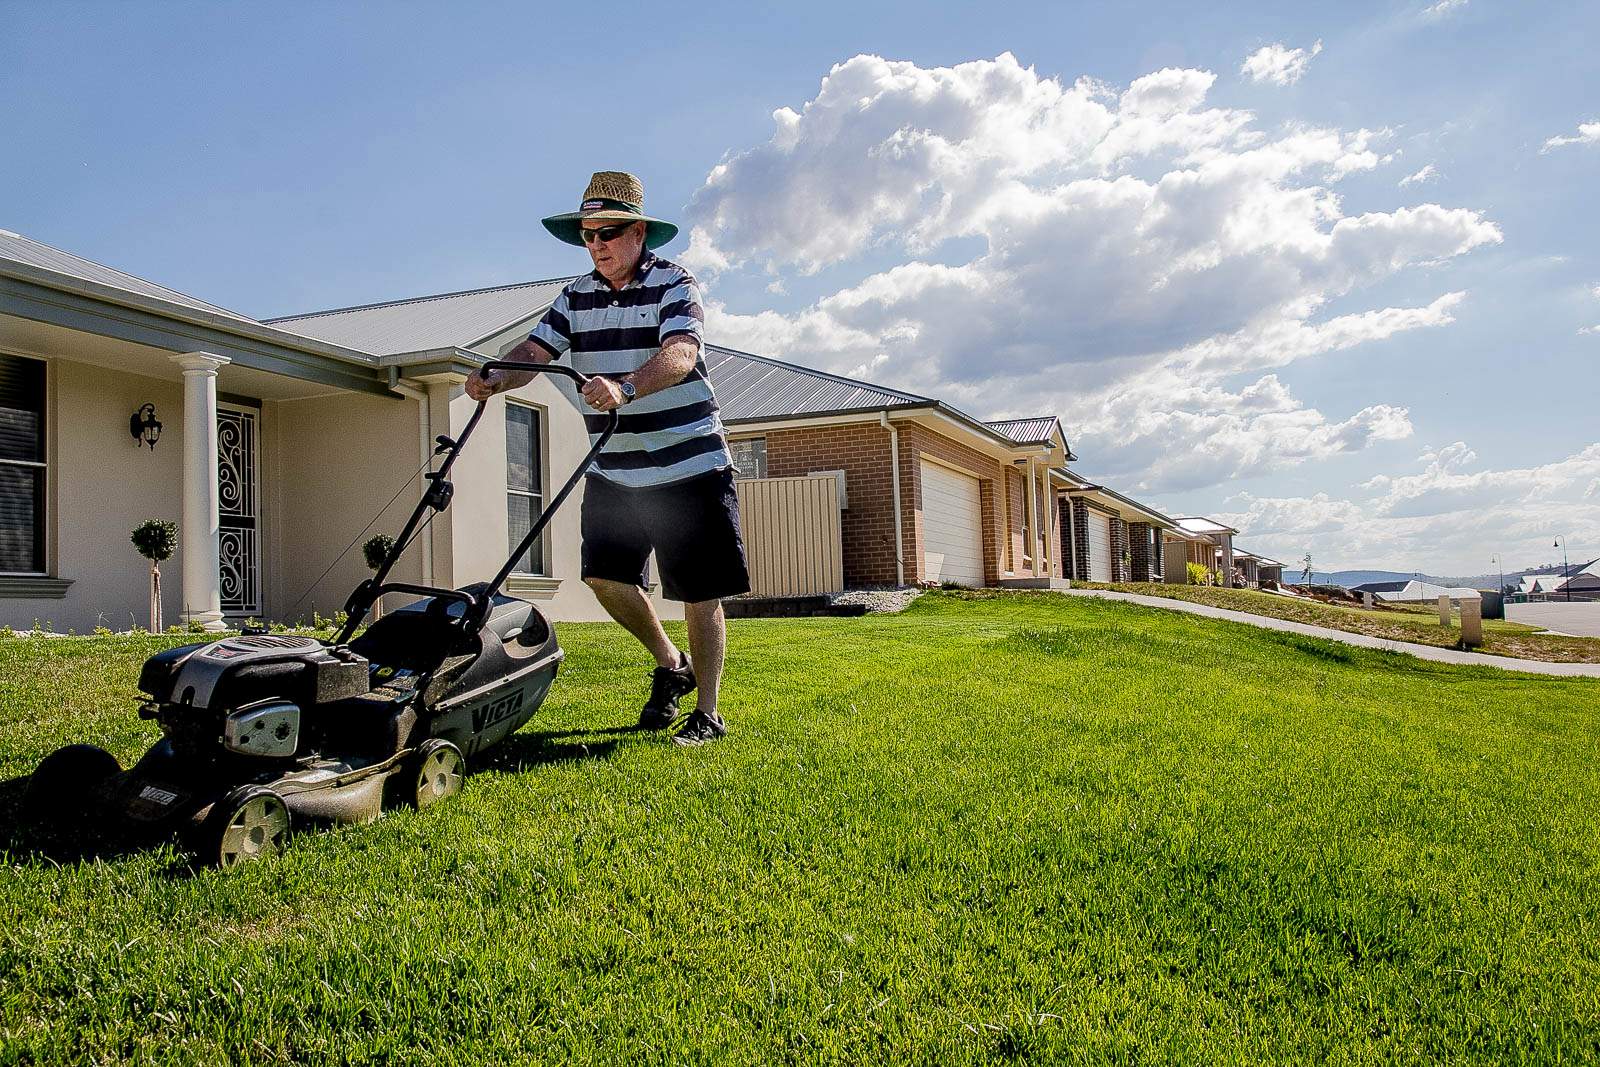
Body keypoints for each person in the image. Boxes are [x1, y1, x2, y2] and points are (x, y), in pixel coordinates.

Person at [466, 172, 748, 746]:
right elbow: (535, 350)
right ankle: (672, 665)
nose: (596, 245)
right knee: (604, 577)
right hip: (616, 466)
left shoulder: (676, 283)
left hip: (689, 464)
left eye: (608, 233)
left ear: (640, 232)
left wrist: (627, 386)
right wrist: (496, 375)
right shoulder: (576, 296)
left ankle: (709, 713)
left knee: (697, 591)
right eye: (587, 235)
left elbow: (682, 353)